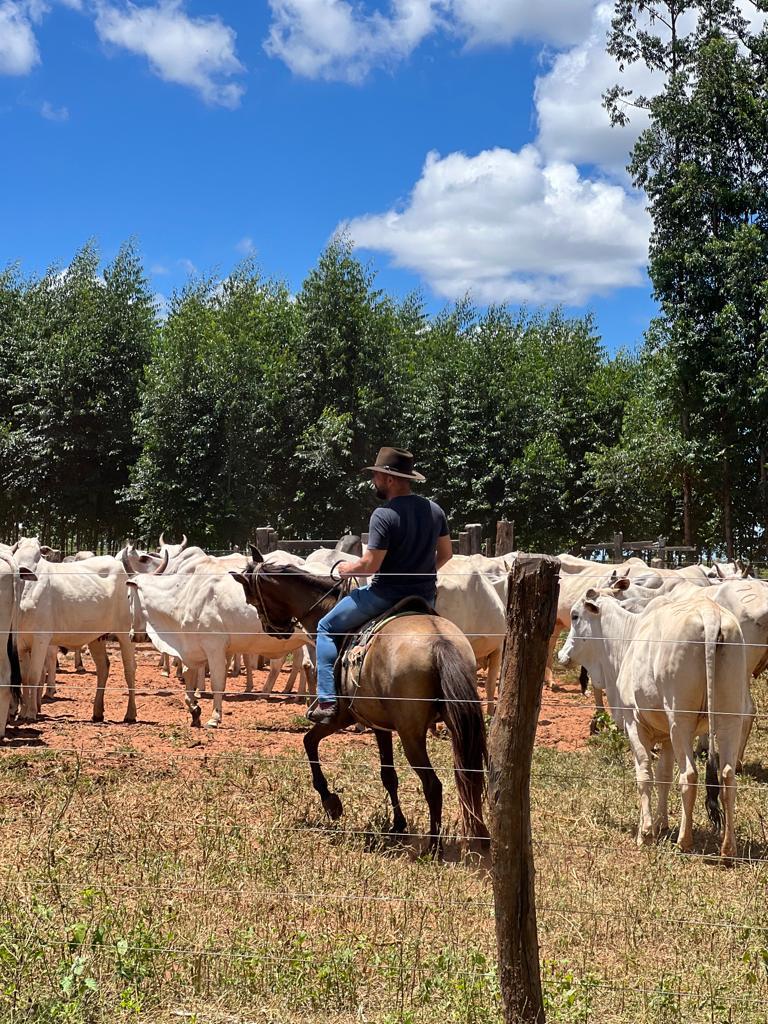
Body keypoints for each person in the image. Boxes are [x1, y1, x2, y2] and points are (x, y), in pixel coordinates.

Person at [307, 446, 453, 726]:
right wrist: (421, 573)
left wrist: (345, 569)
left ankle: (327, 701)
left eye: (375, 475)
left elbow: (370, 565)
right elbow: (446, 554)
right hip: (425, 598)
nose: (373, 481)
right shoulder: (435, 510)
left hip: (385, 595)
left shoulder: (384, 515)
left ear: (389, 479)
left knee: (325, 627)